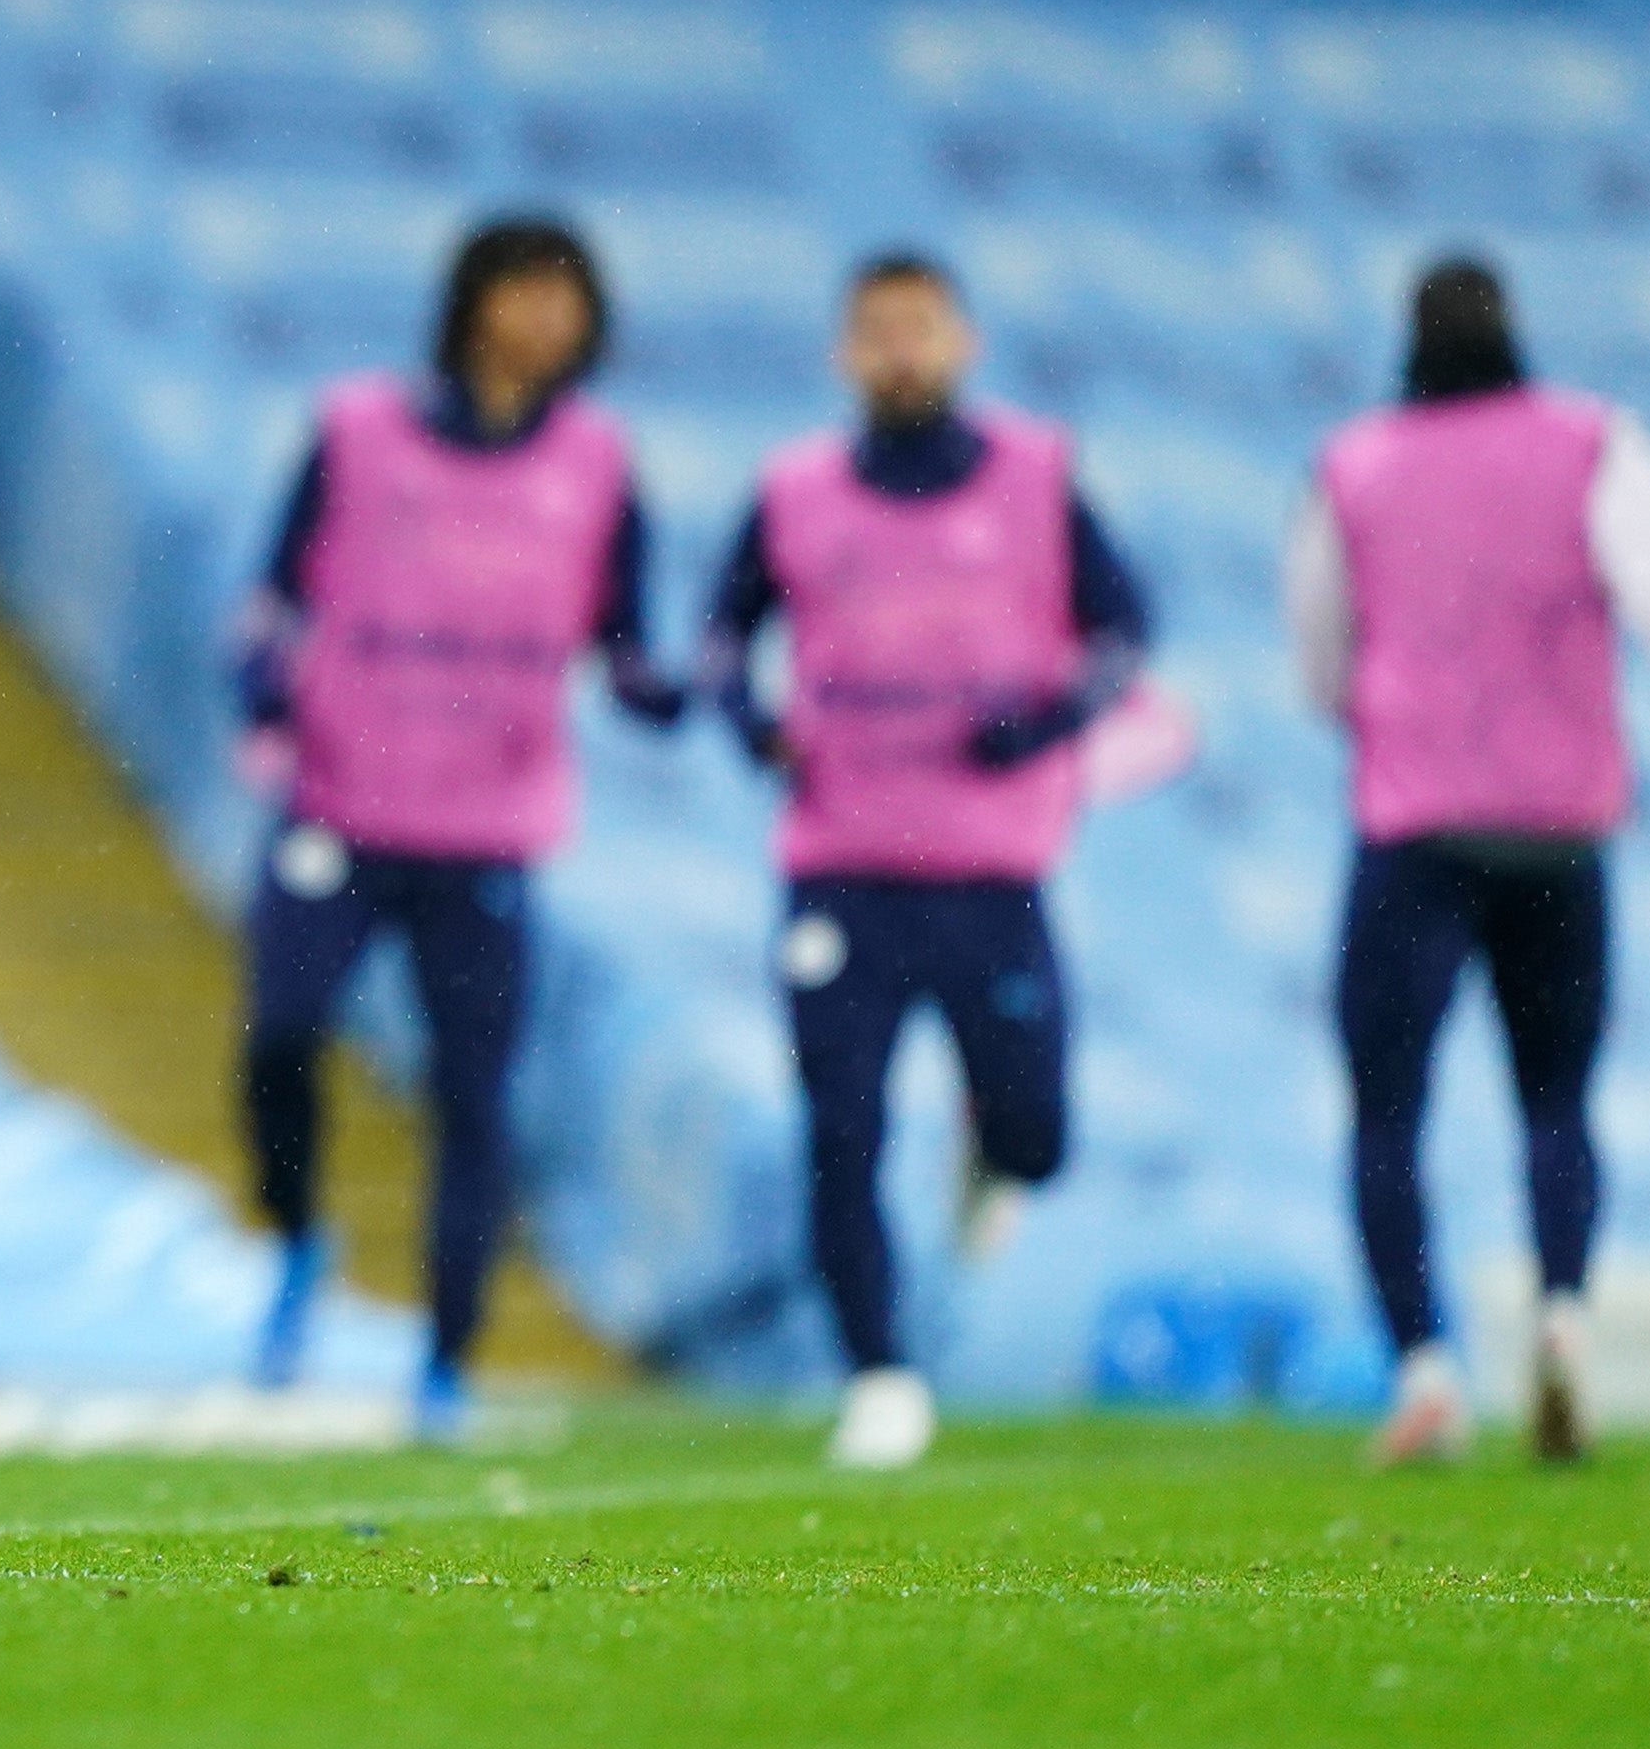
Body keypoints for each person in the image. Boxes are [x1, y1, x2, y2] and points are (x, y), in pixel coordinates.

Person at [1284, 255, 1650, 1467]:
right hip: (1557, 827)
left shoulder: (1356, 464)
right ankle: (1563, 1317)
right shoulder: (1591, 442)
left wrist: (1390, 714)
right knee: (1556, 1096)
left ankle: (1426, 1369)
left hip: (1415, 827)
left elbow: (1320, 654)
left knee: (1387, 1108)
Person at [235, 217, 683, 1440]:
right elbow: (274, 596)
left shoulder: (598, 463)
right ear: (471, 300)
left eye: (565, 298)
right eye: (523, 291)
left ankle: (443, 1359)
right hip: (342, 800)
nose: (544, 318)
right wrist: (265, 687)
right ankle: (296, 1233)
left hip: (486, 826)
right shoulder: (358, 431)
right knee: (279, 1036)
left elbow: (627, 641)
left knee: (475, 1096)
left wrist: (674, 690)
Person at [703, 251, 1151, 1470]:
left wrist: (1045, 722)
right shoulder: (795, 491)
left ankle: (989, 1155)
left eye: (921, 327)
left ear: (963, 342)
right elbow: (722, 635)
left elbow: (1124, 629)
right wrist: (750, 723)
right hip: (842, 863)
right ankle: (880, 1373)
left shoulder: (1035, 477)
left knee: (1035, 1132)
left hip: (989, 867)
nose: (901, 351)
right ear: (845, 352)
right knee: (840, 1124)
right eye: (878, 330)